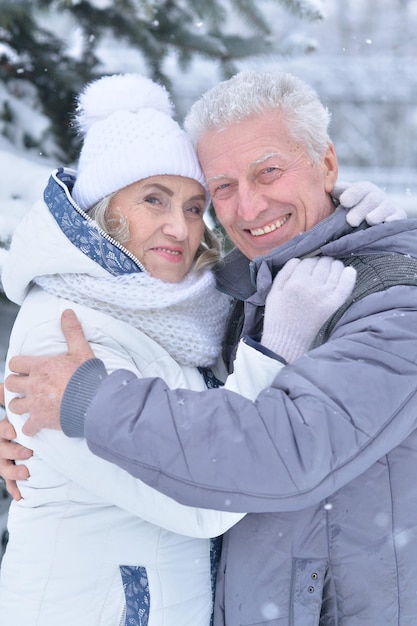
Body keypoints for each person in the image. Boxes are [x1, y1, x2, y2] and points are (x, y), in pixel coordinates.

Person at [1, 70, 416, 625]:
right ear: (106, 209)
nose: (247, 207)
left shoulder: (392, 305)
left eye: (268, 171)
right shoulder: (228, 296)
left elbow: (273, 454)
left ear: (328, 165)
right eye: (221, 188)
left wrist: (94, 402)